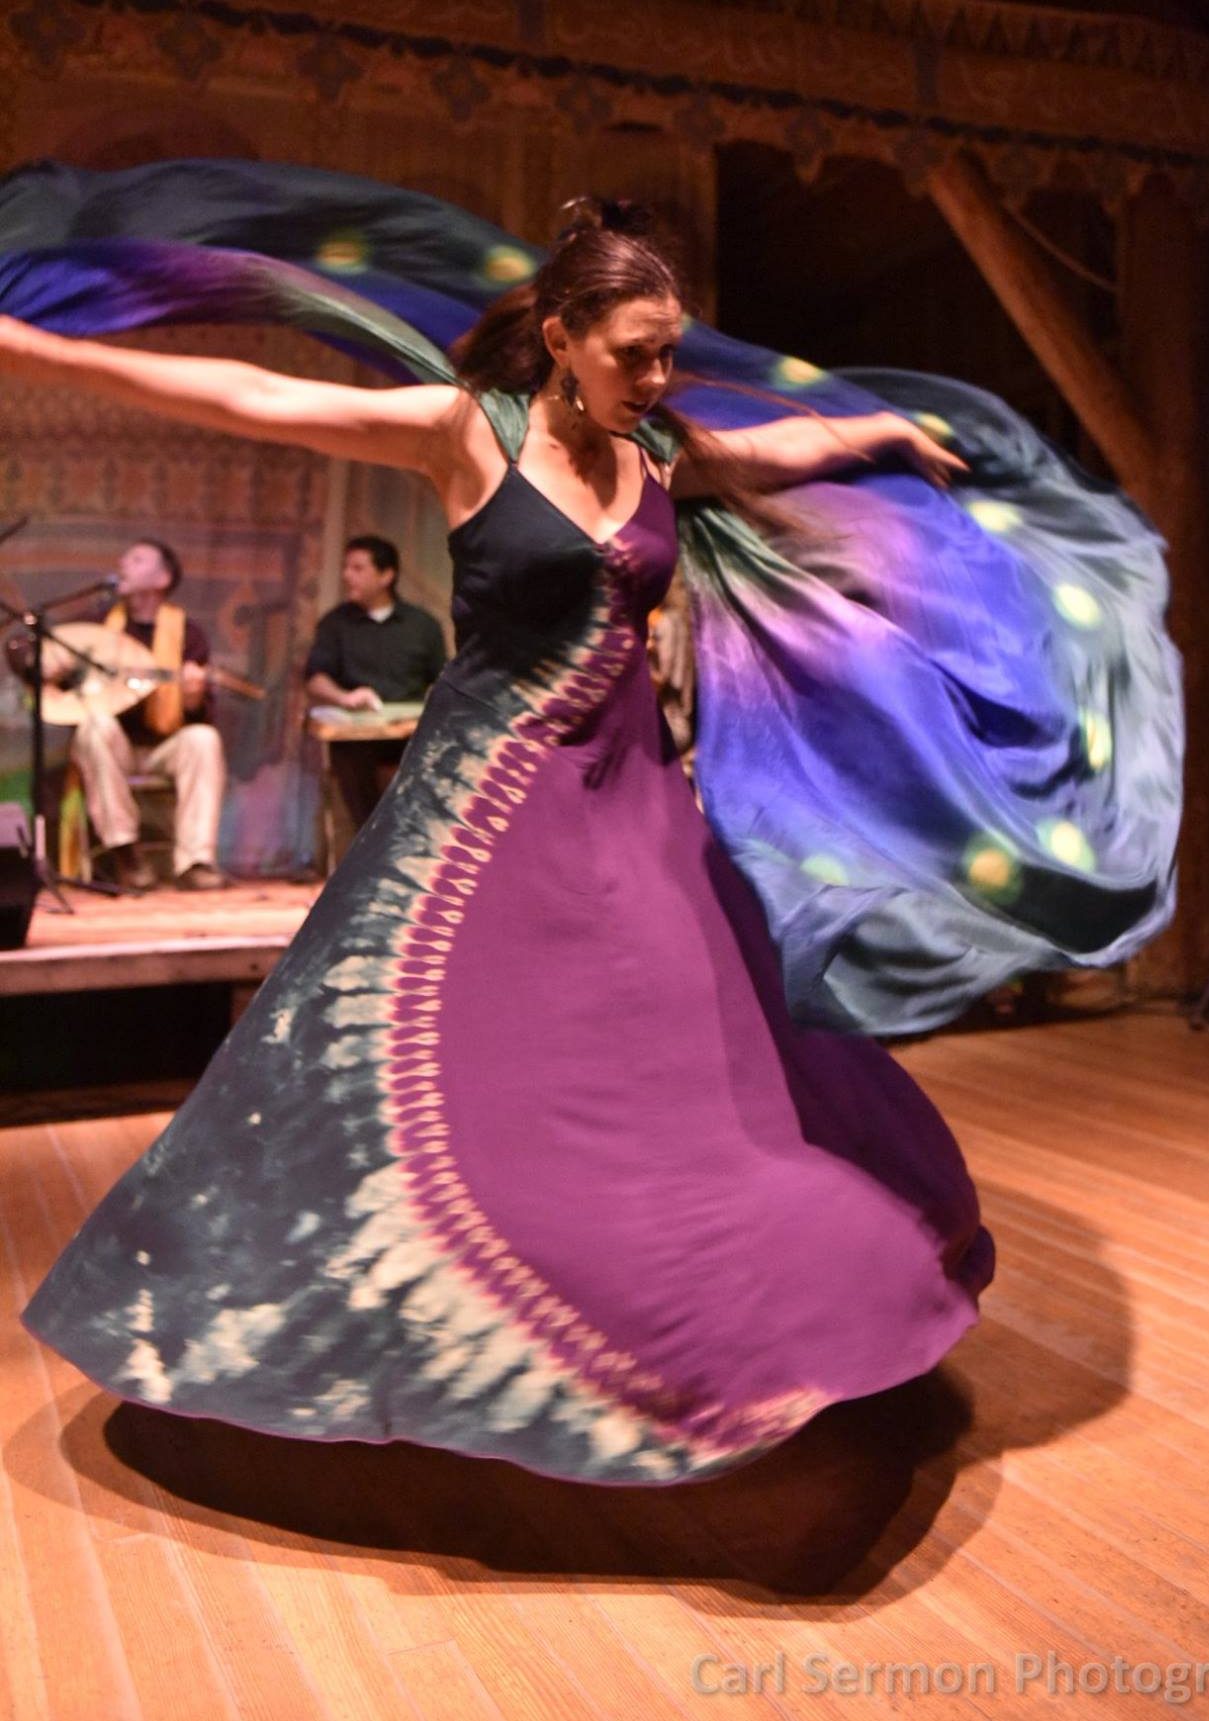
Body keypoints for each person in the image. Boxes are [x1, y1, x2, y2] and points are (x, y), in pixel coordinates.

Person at [0, 195, 1090, 1485]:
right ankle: (454, 1321)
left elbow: (780, 443)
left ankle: (702, 1309)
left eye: (671, 349)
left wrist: (884, 429)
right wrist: (38, 351)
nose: (659, 375)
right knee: (436, 1077)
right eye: (635, 350)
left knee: (687, 1075)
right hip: (475, 820)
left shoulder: (664, 450)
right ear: (564, 336)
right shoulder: (466, 431)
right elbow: (247, 396)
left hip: (632, 802)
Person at [72, 538, 227, 892]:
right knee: (95, 725)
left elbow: (199, 716)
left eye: (137, 558)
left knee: (204, 739)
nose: (123, 561)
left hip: (161, 748)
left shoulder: (188, 633)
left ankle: (195, 863)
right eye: (125, 556)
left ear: (163, 578)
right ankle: (126, 853)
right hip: (113, 749)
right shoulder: (96, 624)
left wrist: (192, 696)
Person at [305, 533, 447, 828]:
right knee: (349, 755)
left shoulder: (422, 625)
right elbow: (315, 677)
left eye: (358, 569)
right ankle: (368, 838)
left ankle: (413, 839)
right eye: (346, 568)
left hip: (409, 734)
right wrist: (345, 698)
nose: (347, 576)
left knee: (437, 752)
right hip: (358, 734)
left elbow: (443, 680)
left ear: (386, 575)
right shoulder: (336, 623)